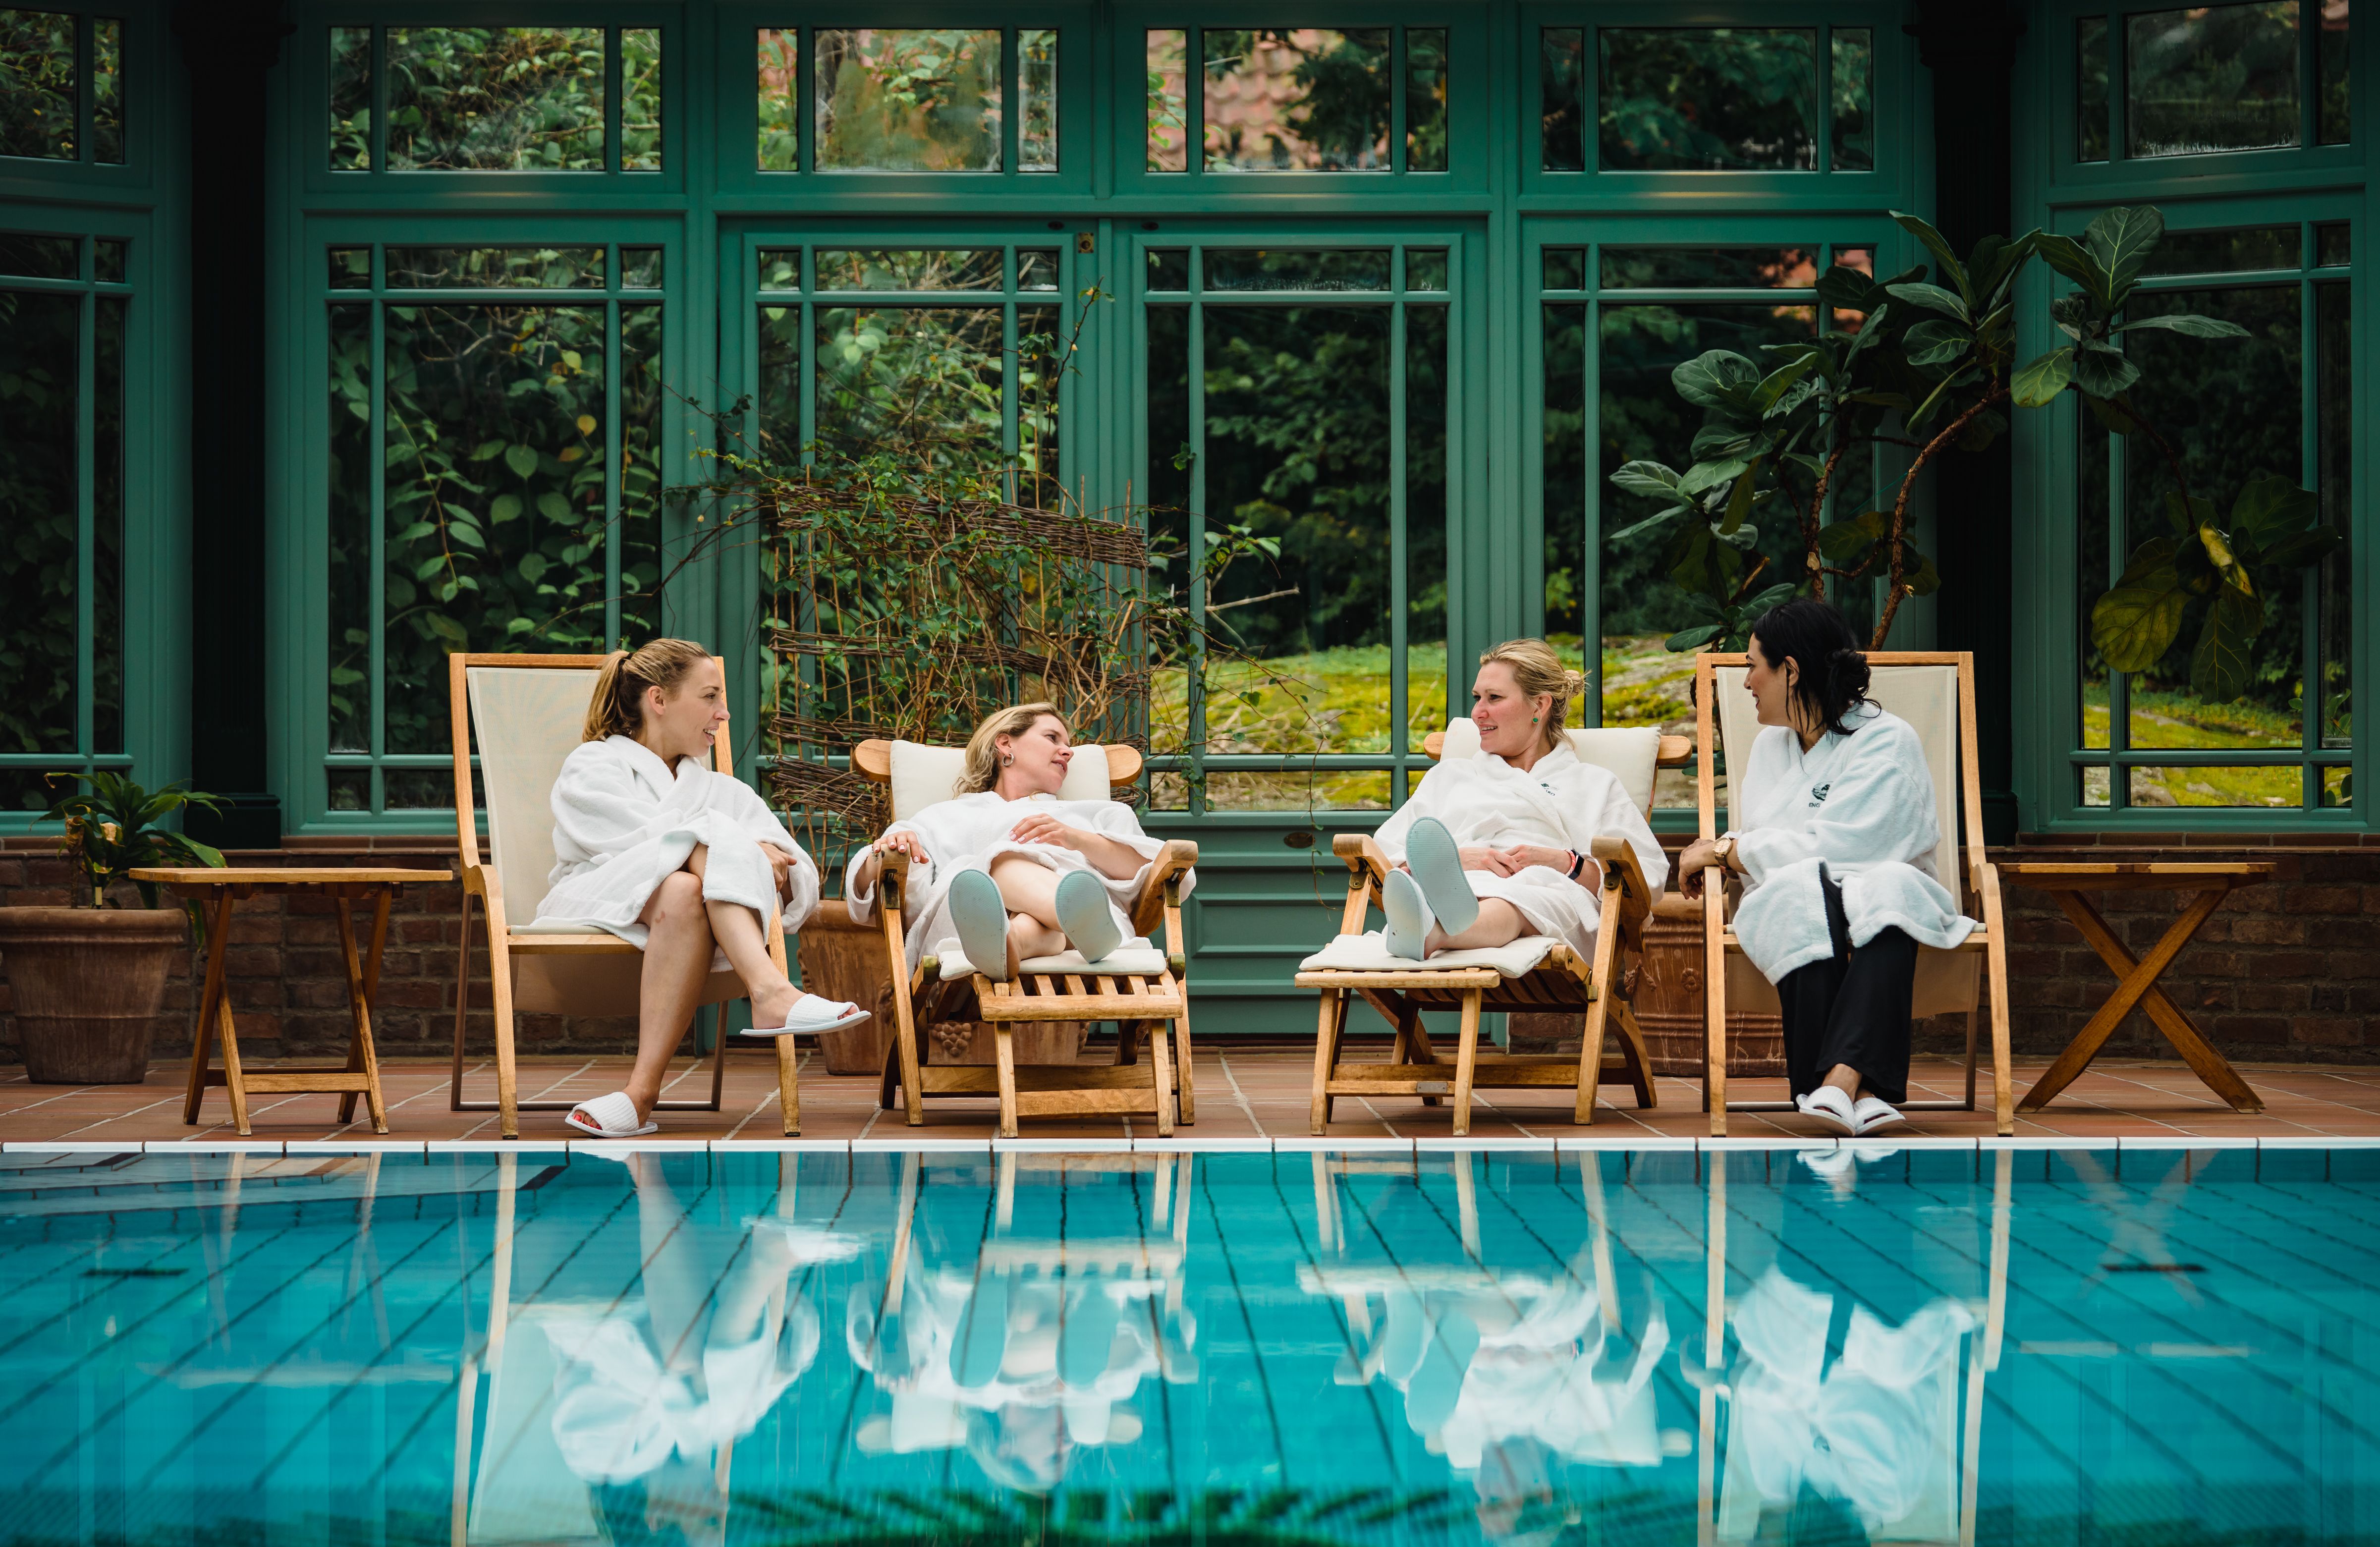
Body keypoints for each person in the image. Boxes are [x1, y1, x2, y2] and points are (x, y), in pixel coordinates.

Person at [537, 638, 864, 1139]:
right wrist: (736, 845)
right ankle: (770, 988)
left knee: (685, 890)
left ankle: (639, 1095)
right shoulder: (592, 766)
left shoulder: (718, 789)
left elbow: (795, 869)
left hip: (681, 920)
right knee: (693, 851)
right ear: (659, 699)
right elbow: (635, 844)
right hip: (589, 909)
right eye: (710, 697)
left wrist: (735, 845)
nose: (724, 712)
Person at [1676, 598, 1976, 1136]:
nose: (1745, 682)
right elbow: (1779, 842)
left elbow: (1854, 845)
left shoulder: (1888, 739)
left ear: (1790, 670)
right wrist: (1745, 847)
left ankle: (1835, 1081)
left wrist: (1726, 850)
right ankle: (1862, 1091)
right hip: (1805, 898)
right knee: (1797, 889)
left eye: (1752, 665)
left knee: (1890, 887)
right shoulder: (1771, 748)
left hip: (1885, 904)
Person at [1371, 638, 1667, 963]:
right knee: (1462, 887)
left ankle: (1434, 933)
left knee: (1519, 897)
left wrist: (1565, 863)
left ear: (1539, 706)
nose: (1476, 713)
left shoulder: (1593, 785)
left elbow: (1644, 885)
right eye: (1476, 698)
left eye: (1493, 698)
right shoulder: (1451, 776)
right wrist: (1457, 861)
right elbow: (1386, 857)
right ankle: (1436, 914)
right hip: (1463, 886)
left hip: (1550, 895)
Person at [842, 703, 1189, 980]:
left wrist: (1075, 838)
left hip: (1071, 923)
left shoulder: (1098, 813)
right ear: (1006, 743)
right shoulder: (942, 816)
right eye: (1053, 738)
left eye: (1068, 745)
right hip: (979, 927)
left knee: (1012, 875)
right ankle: (1066, 925)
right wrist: (890, 848)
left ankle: (1016, 942)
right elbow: (870, 889)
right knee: (1000, 865)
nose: (1067, 752)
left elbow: (1153, 873)